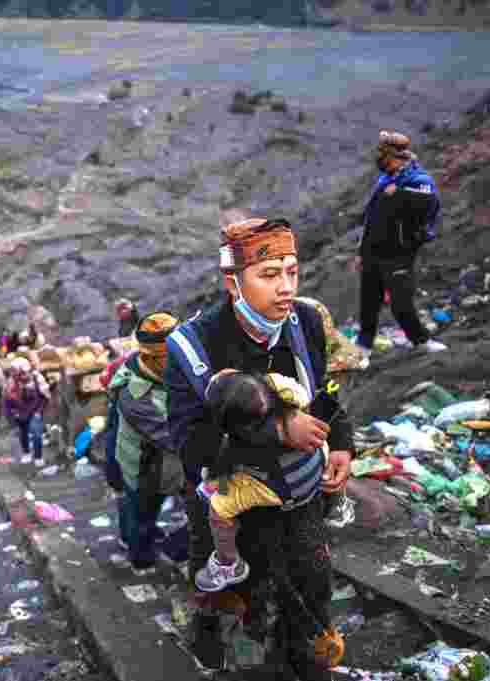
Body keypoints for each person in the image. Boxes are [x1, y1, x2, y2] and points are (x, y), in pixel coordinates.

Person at [165, 217, 353, 676]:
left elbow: (322, 394)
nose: (285, 287)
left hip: (300, 496)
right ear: (233, 282)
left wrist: (343, 442)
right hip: (229, 508)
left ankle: (303, 660)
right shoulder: (195, 345)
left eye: (292, 271)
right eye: (269, 275)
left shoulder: (304, 321)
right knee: (238, 609)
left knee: (310, 590)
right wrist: (276, 433)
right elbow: (191, 446)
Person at [194, 368, 337, 592]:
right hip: (317, 458)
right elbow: (285, 389)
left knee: (217, 506)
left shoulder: (240, 447)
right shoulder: (283, 389)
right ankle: (338, 500)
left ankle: (228, 563)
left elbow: (222, 464)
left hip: (285, 488)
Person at [352, 130, 447, 361]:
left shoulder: (418, 180)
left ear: (397, 157)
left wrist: (398, 194)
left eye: (384, 156)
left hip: (399, 253)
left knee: (400, 302)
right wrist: (361, 252)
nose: (380, 161)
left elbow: (425, 208)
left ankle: (421, 341)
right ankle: (363, 346)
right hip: (373, 252)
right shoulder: (385, 179)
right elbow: (371, 218)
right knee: (369, 302)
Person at [108, 312, 183, 569]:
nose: (179, 360)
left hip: (162, 462)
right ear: (150, 357)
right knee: (142, 516)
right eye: (170, 357)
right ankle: (142, 560)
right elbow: (172, 438)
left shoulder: (165, 370)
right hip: (143, 466)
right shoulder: (134, 395)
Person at [3, 357, 50, 466]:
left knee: (36, 433)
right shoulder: (11, 382)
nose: (23, 376)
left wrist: (39, 412)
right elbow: (7, 400)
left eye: (24, 372)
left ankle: (38, 457)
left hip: (35, 410)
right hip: (19, 411)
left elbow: (45, 396)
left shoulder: (37, 378)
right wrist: (11, 415)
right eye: (19, 373)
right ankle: (26, 453)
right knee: (22, 433)